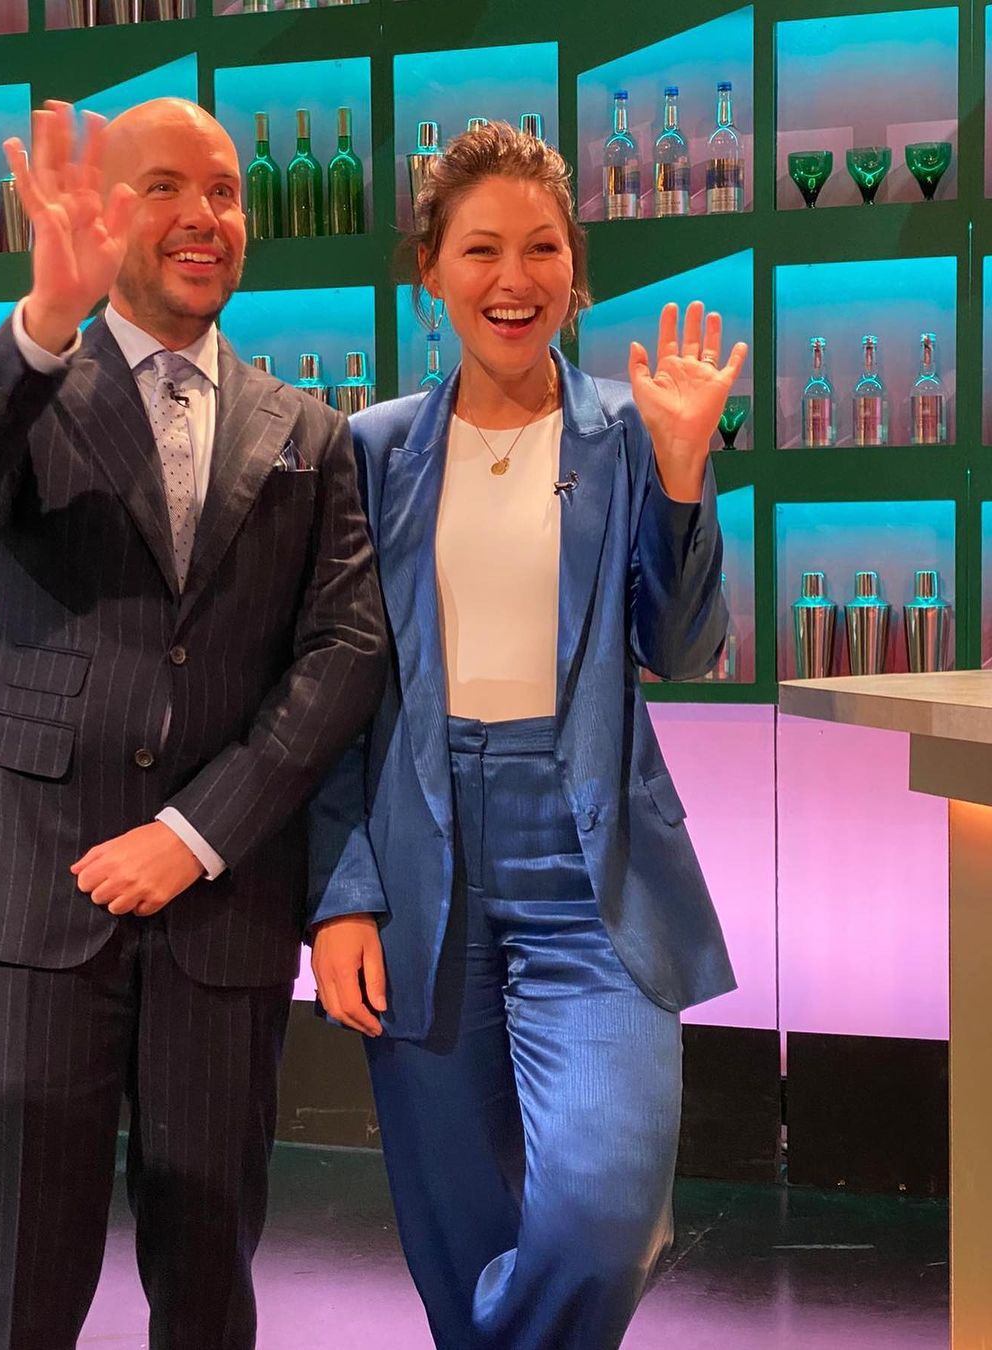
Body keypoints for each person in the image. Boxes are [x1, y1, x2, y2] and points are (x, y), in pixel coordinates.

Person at [0, 97, 386, 1350]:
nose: (202, 216)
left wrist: (196, 832)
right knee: (19, 1284)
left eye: (223, 191)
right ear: (105, 213)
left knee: (209, 1277)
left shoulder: (311, 434)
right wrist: (40, 324)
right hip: (30, 889)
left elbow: (345, 652)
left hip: (220, 911)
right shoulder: (37, 386)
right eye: (164, 187)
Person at [308, 121, 745, 1350]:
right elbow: (332, 689)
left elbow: (685, 647)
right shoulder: (372, 449)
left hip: (592, 863)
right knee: (454, 1234)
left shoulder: (632, 434)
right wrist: (340, 895)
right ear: (431, 272)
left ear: (575, 267)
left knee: (601, 1219)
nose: (514, 279)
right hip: (418, 858)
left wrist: (681, 477)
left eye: (542, 248)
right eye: (481, 249)